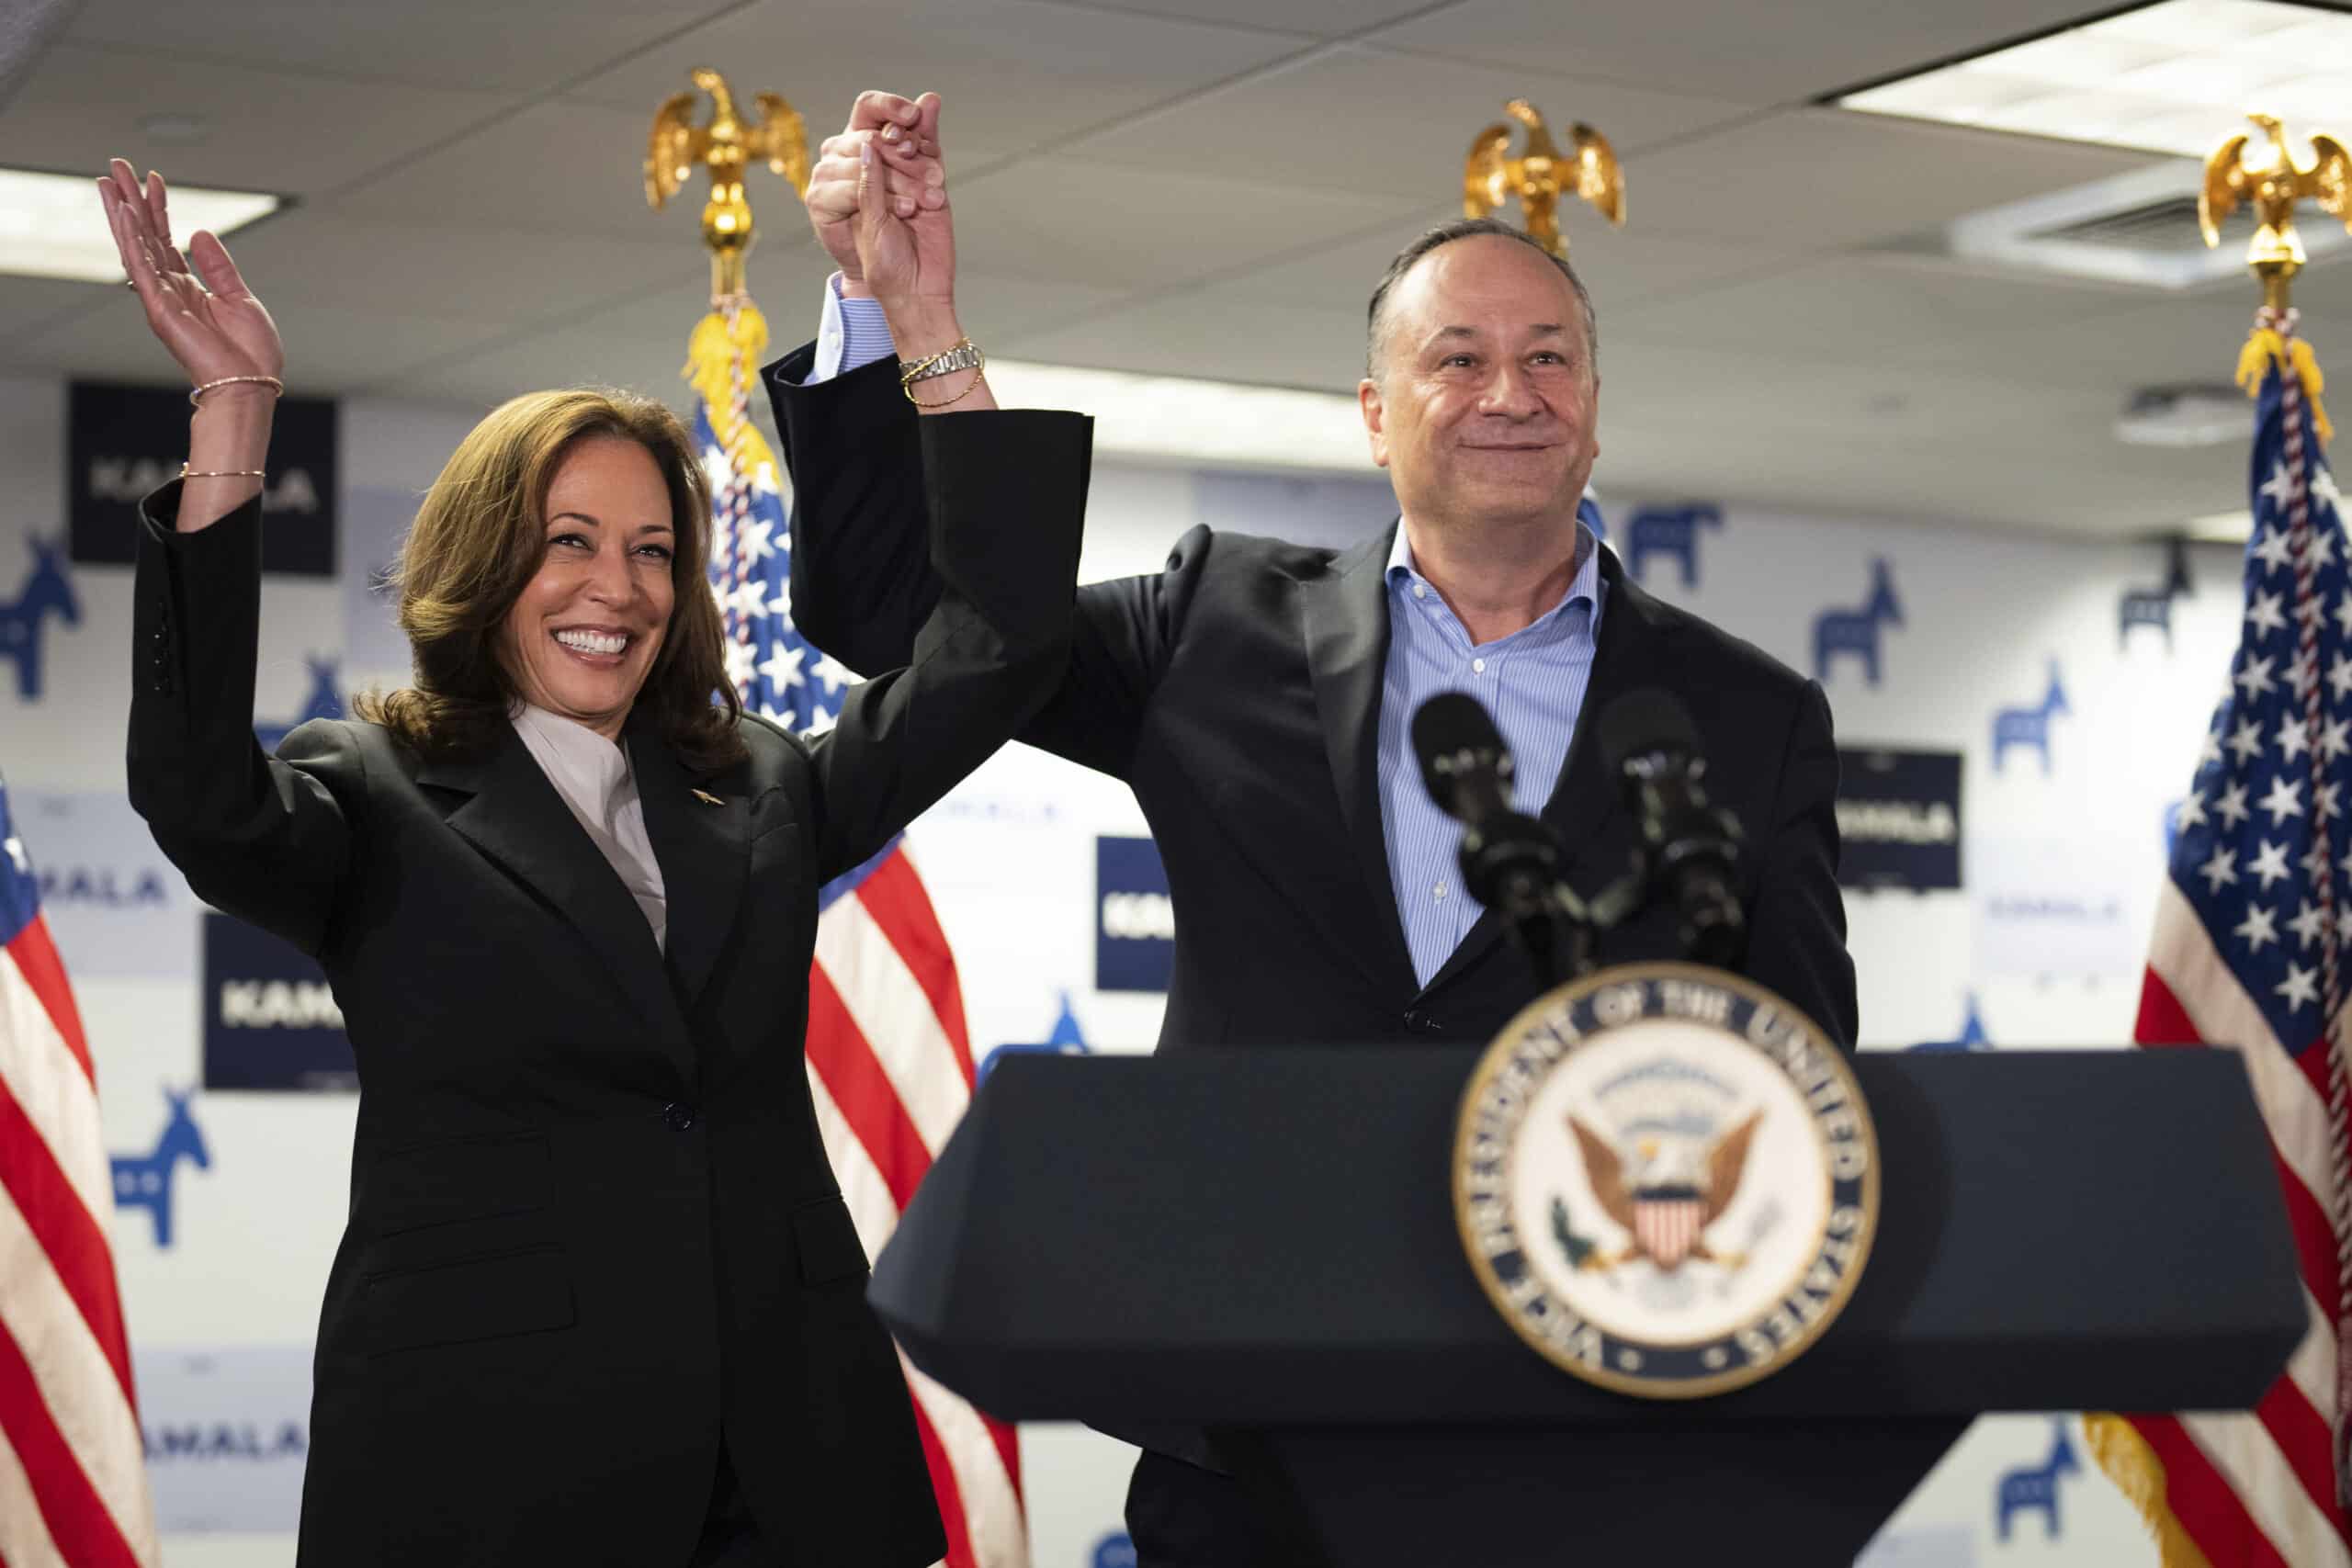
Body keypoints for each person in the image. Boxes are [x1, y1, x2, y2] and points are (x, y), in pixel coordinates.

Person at [772, 94, 1856, 1566]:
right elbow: (922, 623)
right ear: (1374, 412)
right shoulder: (1216, 624)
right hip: (1246, 1433)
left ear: (1596, 408)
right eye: (1456, 358)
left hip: (1585, 1431)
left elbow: (1802, 1070)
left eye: (1550, 359)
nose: (1510, 392)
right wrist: (910, 316)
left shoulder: (1747, 716)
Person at [101, 122, 1084, 1568]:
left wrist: (921, 326)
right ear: (485, 562)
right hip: (494, 1471)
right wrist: (235, 419)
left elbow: (999, 644)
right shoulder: (373, 794)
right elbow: (194, 796)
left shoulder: (755, 783)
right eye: (567, 540)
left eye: (649, 550)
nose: (610, 588)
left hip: (790, 1471)